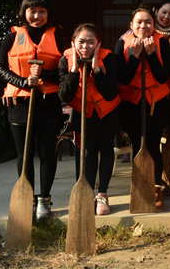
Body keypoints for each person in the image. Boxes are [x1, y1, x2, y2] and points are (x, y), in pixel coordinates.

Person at [0, 0, 63, 222]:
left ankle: (44, 199)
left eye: (41, 11)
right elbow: (0, 68)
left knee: (46, 153)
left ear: (48, 14)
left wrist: (44, 74)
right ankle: (28, 199)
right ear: (24, 13)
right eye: (32, 11)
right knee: (24, 155)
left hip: (48, 103)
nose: (37, 16)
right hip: (19, 104)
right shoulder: (12, 37)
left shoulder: (56, 36)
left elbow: (64, 71)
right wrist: (24, 82)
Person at [58, 24, 121, 215]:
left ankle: (102, 194)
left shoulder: (108, 58)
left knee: (106, 150)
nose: (85, 46)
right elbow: (64, 95)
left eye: (91, 42)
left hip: (107, 112)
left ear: (98, 44)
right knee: (87, 153)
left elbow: (111, 92)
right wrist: (74, 71)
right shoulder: (66, 59)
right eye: (81, 42)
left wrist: (97, 71)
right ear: (73, 43)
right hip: (83, 113)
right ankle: (86, 193)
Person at [115, 4, 170, 211]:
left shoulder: (162, 43)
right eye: (139, 22)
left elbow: (163, 76)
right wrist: (135, 55)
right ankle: (140, 186)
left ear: (154, 25)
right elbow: (123, 77)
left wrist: (151, 53)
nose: (143, 26)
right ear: (132, 24)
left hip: (157, 102)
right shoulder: (122, 43)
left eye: (148, 22)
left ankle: (156, 188)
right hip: (131, 102)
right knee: (138, 146)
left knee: (153, 144)